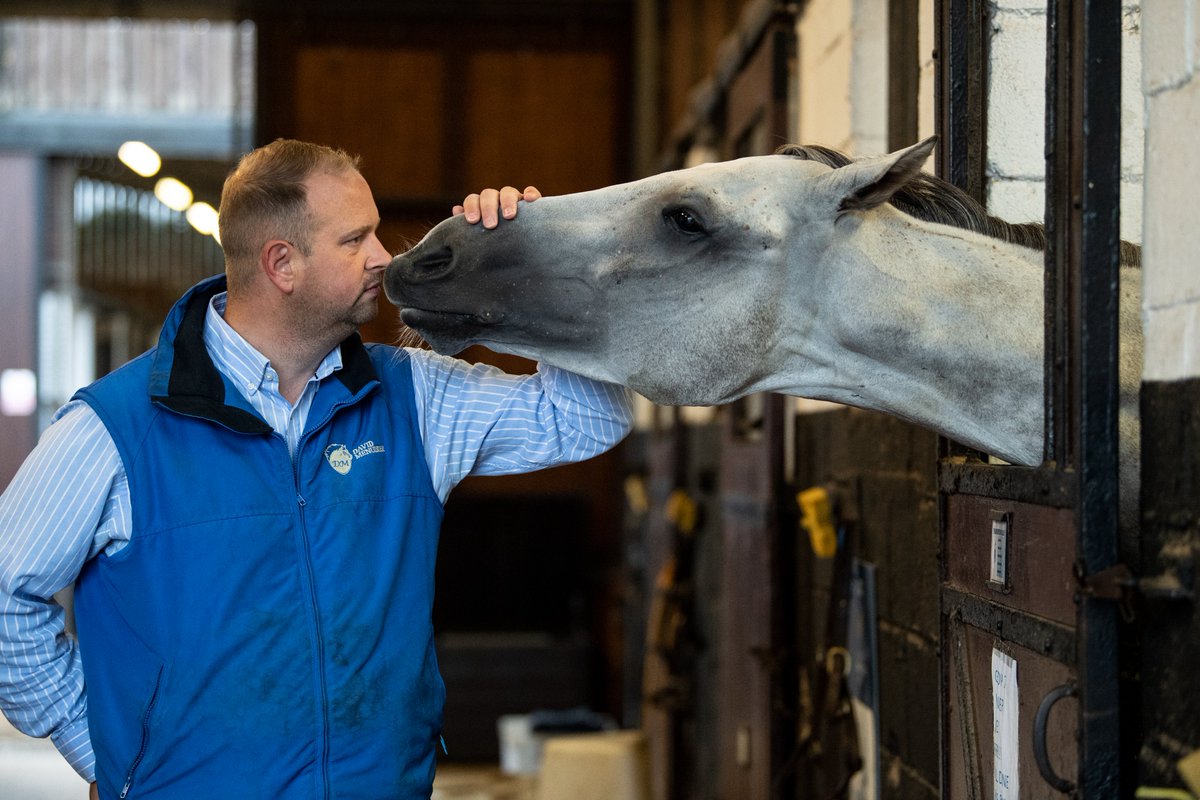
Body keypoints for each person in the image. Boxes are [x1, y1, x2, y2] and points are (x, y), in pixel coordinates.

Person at [0, 139, 632, 799]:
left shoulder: (413, 399)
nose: (384, 257)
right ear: (283, 264)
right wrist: (108, 752)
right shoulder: (115, 428)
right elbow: (6, 595)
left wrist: (536, 268)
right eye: (355, 239)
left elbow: (589, 419)